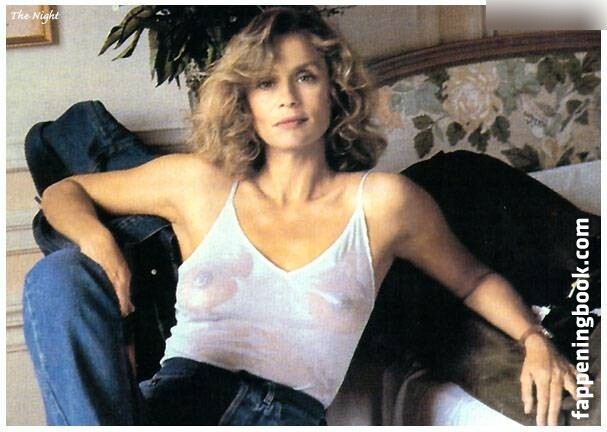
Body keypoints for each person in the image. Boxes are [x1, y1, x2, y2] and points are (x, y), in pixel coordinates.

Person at [23, 7, 577, 426]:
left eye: (306, 76)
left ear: (335, 90)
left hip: (284, 415)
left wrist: (533, 338)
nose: (287, 97)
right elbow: (64, 192)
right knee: (58, 276)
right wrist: (97, 243)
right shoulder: (199, 182)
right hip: (173, 402)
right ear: (245, 101)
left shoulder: (383, 203)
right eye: (266, 83)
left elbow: (472, 279)